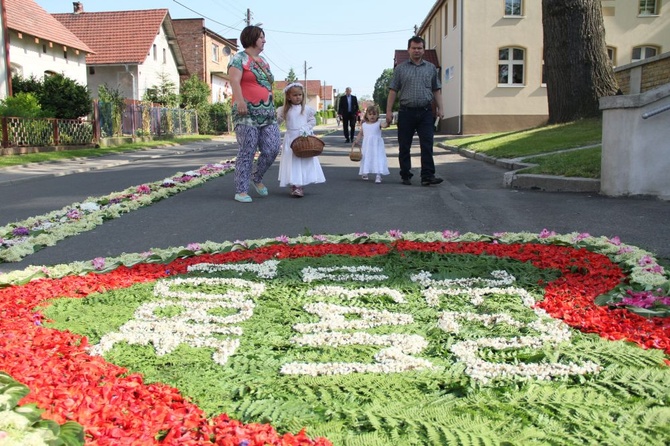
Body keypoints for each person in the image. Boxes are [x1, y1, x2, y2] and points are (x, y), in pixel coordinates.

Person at [228, 25, 281, 203]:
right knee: (247, 150)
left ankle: (256, 177)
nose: (264, 40)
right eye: (261, 37)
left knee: (273, 148)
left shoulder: (263, 61)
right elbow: (234, 80)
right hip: (246, 113)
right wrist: (240, 100)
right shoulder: (239, 59)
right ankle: (241, 190)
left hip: (267, 113)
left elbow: (268, 85)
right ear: (251, 38)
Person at [385, 36, 444, 187]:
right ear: (408, 50)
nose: (417, 51)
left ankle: (427, 176)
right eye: (414, 48)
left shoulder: (430, 68)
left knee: (427, 144)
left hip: (425, 112)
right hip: (406, 112)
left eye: (419, 48)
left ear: (423, 50)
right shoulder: (400, 69)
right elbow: (393, 90)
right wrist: (389, 111)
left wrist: (441, 108)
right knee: (404, 145)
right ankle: (406, 174)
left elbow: (436, 89)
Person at [276, 83, 325, 198]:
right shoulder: (285, 110)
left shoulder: (306, 109)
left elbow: (312, 121)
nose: (298, 97)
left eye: (300, 95)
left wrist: (306, 128)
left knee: (303, 161)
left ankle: (300, 184)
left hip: (303, 138)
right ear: (288, 97)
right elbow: (278, 122)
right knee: (293, 161)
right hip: (291, 138)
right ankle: (295, 184)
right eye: (295, 95)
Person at [353, 104, 389, 184]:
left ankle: (378, 175)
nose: (372, 116)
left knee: (377, 158)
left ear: (377, 115)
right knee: (366, 157)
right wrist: (357, 140)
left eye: (374, 114)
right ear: (367, 115)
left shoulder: (378, 123)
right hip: (367, 146)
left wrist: (388, 121)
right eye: (370, 114)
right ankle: (365, 172)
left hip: (377, 146)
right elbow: (360, 133)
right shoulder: (364, 125)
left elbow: (385, 125)